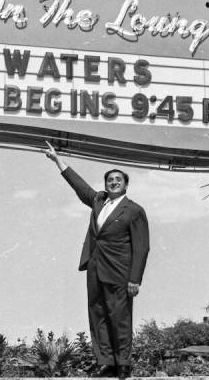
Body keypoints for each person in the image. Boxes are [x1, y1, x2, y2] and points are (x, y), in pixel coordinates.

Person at [44, 141, 150, 379]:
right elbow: (79, 186)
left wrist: (135, 278)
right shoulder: (98, 202)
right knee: (98, 316)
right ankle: (106, 363)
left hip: (120, 272)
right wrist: (57, 159)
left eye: (118, 180)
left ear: (125, 184)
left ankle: (123, 364)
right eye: (109, 180)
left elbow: (142, 247)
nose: (113, 183)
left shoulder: (134, 210)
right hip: (95, 269)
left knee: (120, 318)